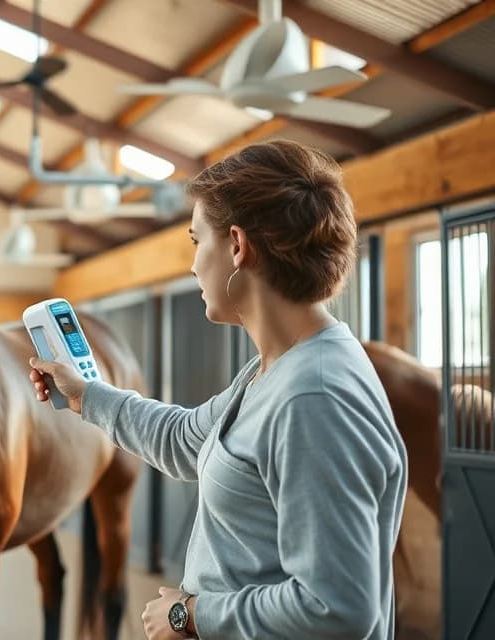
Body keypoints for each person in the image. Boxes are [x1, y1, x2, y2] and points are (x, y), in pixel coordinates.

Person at [29, 140, 407, 640]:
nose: (192, 265)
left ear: (236, 245)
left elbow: (336, 608)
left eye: (195, 240)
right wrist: (86, 396)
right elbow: (188, 438)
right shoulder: (275, 368)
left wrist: (190, 614)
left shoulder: (313, 397)